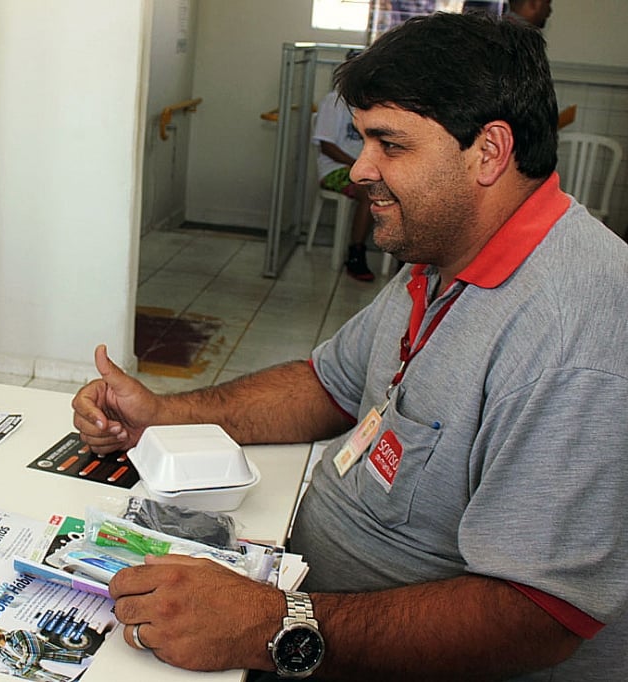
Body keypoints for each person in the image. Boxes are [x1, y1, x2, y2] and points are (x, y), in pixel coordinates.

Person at [72, 12, 627, 681]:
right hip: (307, 589)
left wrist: (273, 626)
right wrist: (160, 414)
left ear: (488, 151)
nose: (360, 168)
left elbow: (534, 619)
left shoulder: (577, 335)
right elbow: (324, 385)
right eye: (363, 139)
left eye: (388, 145)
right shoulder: (441, 256)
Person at [312, 49, 375, 281]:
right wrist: (358, 165)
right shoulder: (334, 101)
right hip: (335, 169)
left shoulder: (369, 104)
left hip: (362, 168)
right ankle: (356, 253)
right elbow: (326, 146)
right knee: (369, 193)